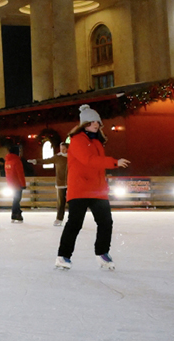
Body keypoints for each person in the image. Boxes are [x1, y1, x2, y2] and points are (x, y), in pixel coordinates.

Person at [55, 105, 131, 270]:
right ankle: (63, 256)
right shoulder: (77, 140)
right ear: (84, 124)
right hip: (80, 188)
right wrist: (114, 162)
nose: (95, 124)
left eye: (97, 121)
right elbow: (88, 160)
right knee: (75, 223)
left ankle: (102, 253)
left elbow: (96, 165)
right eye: (91, 122)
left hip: (97, 189)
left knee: (106, 222)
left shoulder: (97, 141)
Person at [5, 146, 26, 223]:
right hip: (17, 184)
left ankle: (16, 213)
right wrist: (23, 184)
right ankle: (15, 214)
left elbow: (7, 174)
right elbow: (20, 173)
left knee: (15, 199)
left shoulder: (7, 161)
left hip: (10, 184)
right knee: (17, 199)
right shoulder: (17, 161)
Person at [52, 142, 69, 226]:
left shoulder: (72, 157)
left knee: (72, 202)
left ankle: (73, 219)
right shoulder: (57, 157)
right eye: (61, 148)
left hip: (71, 183)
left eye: (64, 148)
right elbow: (47, 160)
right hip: (60, 183)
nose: (62, 150)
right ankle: (59, 218)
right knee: (61, 202)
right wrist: (36, 161)